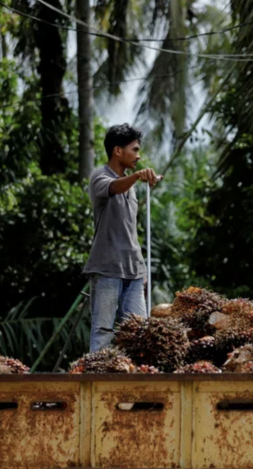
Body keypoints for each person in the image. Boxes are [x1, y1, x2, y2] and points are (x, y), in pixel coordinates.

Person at [83, 124, 161, 352]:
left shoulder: (131, 185)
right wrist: (136, 176)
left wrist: (142, 271)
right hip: (107, 269)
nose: (138, 156)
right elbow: (113, 187)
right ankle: (98, 373)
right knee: (103, 332)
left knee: (140, 333)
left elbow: (130, 232)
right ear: (118, 151)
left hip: (134, 271)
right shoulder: (100, 176)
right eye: (134, 150)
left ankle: (136, 374)